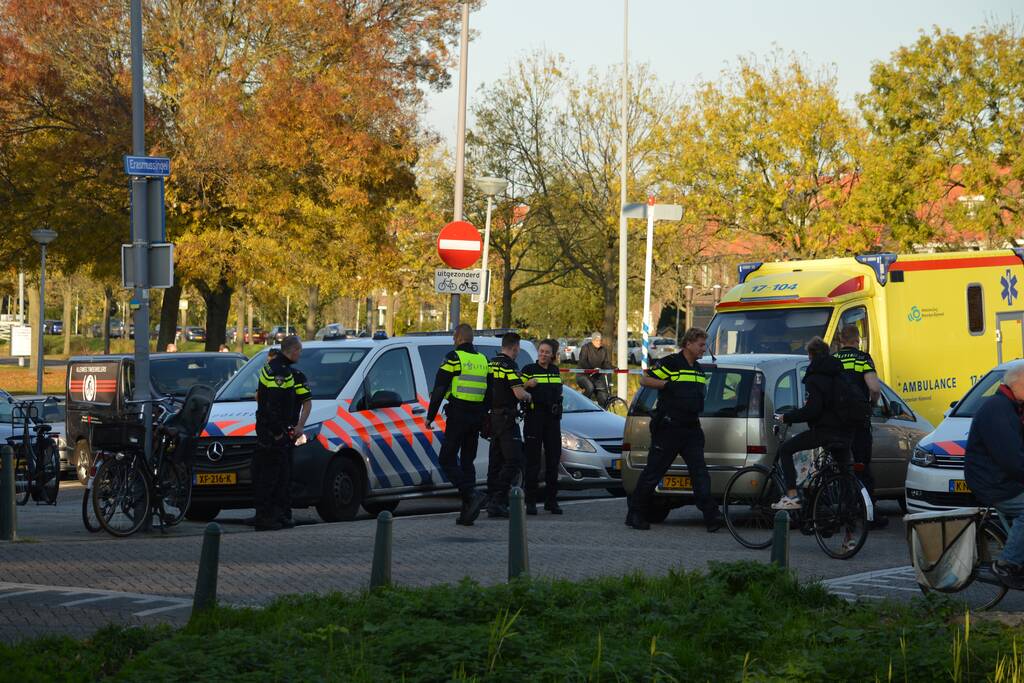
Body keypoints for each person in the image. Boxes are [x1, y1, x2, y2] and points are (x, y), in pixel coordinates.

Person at [627, 328, 722, 532]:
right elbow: (645, 380)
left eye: (704, 345)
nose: (703, 349)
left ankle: (711, 516)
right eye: (701, 345)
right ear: (688, 344)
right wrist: (667, 385)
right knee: (653, 472)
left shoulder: (698, 369)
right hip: (669, 427)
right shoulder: (671, 363)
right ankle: (635, 513)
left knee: (700, 473)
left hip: (691, 429)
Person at [772, 337, 853, 511]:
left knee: (785, 449)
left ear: (810, 355)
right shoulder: (840, 374)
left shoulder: (814, 378)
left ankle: (792, 496)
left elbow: (812, 410)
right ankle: (850, 516)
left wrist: (788, 417)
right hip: (845, 431)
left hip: (824, 431)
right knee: (845, 474)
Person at [964, 362, 1024, 588]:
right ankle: (1008, 563)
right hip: (993, 483)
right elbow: (1011, 458)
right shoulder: (998, 410)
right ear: (1018, 385)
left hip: (1002, 478)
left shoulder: (1011, 407)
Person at [425, 323, 488, 526]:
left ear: (459, 337)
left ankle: (471, 493)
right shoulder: (483, 360)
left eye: (454, 337)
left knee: (446, 459)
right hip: (476, 417)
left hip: (458, 416)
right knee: (467, 462)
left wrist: (430, 415)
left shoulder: (454, 358)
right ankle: (467, 513)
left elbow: (440, 387)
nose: (453, 340)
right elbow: (490, 390)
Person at [253, 336, 310, 531]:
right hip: (273, 432)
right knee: (272, 476)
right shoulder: (281, 373)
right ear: (292, 350)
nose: (300, 355)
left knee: (282, 474)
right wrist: (278, 432)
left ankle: (280, 515)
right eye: (299, 351)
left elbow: (260, 398)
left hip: (267, 429)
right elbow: (273, 405)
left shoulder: (271, 367)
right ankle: (266, 517)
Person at [833, 325, 886, 528]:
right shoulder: (863, 358)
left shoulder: (834, 360)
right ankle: (869, 514)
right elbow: (874, 388)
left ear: (841, 341)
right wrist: (871, 405)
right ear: (857, 340)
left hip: (838, 423)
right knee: (862, 466)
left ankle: (845, 512)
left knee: (842, 467)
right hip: (859, 421)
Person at [485, 332, 532, 518]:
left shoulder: (491, 363)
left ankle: (491, 500)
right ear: (515, 347)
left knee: (495, 461)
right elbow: (518, 394)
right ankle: (498, 500)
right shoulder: (509, 365)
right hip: (506, 419)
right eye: (518, 348)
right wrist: (528, 394)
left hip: (493, 418)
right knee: (513, 460)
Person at [522, 339, 563, 515]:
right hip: (534, 419)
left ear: (552, 355)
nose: (543, 354)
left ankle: (551, 501)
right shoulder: (529, 370)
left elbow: (558, 392)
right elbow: (516, 388)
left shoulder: (555, 370)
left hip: (552, 420)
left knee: (553, 461)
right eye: (541, 351)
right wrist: (527, 384)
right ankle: (530, 502)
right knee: (533, 462)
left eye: (547, 352)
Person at [577, 332, 612, 403]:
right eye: (597, 340)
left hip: (595, 377)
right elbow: (583, 361)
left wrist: (614, 368)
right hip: (583, 375)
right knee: (590, 387)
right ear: (592, 341)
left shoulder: (603, 350)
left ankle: (601, 409)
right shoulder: (586, 348)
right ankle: (581, 403)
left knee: (602, 392)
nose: (599, 342)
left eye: (600, 340)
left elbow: (606, 363)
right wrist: (592, 369)